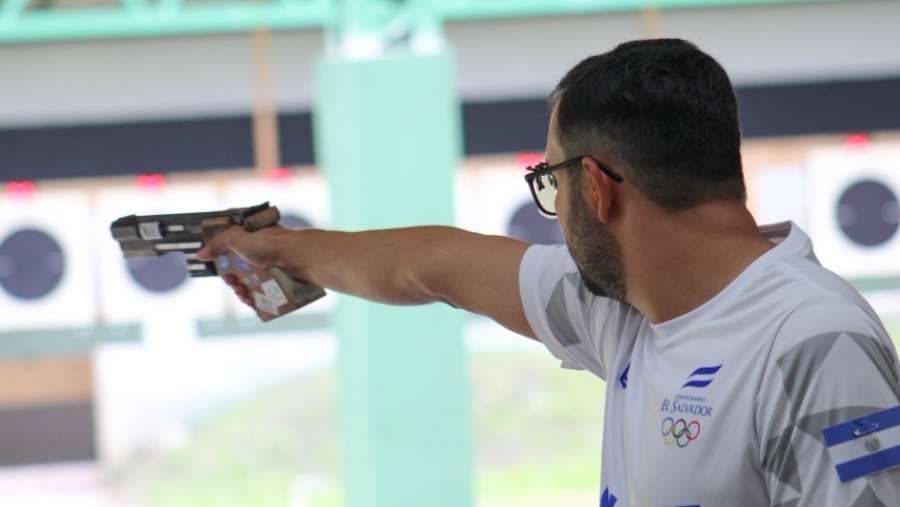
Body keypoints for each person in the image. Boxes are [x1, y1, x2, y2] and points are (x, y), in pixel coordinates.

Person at [197, 38, 900, 506]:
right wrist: (279, 250)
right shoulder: (626, 311)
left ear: (596, 187)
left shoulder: (814, 344)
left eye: (551, 180)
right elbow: (429, 265)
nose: (552, 206)